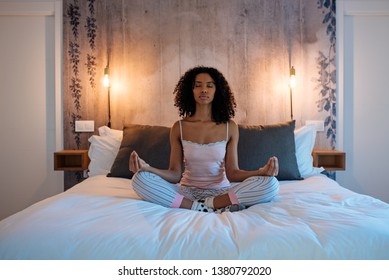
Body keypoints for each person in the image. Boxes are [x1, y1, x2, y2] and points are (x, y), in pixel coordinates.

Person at [129, 66, 279, 213]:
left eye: (209, 86)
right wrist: (146, 168)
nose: (204, 90)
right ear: (191, 90)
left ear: (217, 91)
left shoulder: (229, 127)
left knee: (271, 184)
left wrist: (261, 172)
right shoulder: (179, 127)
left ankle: (209, 204)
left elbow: (233, 173)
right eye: (198, 85)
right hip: (186, 192)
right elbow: (174, 174)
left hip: (221, 193)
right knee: (139, 179)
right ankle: (201, 207)